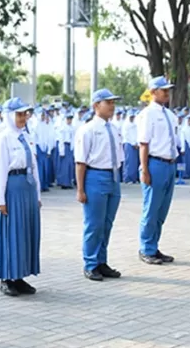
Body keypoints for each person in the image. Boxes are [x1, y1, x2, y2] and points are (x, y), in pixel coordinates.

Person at [0, 97, 41, 296]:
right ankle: (7, 277)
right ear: (9, 116)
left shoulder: (27, 137)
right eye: (19, 114)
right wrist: (0, 200)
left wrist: (37, 193)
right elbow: (1, 170)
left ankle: (20, 275)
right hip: (13, 186)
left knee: (26, 232)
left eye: (25, 114)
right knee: (12, 231)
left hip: (27, 187)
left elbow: (34, 166)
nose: (23, 118)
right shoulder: (4, 138)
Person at [75, 89, 124, 281]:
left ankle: (101, 261)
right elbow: (80, 162)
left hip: (112, 176)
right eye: (108, 102)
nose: (112, 106)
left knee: (106, 224)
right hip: (95, 176)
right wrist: (80, 189)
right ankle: (90, 263)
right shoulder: (87, 130)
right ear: (96, 105)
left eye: (113, 102)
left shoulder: (114, 129)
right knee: (94, 224)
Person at [136, 76, 179, 265]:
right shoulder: (148, 114)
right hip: (155, 163)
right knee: (151, 209)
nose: (167, 93)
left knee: (162, 210)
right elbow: (143, 144)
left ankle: (154, 245)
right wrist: (144, 169)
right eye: (164, 90)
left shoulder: (169, 115)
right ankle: (146, 248)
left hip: (169, 164)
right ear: (153, 92)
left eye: (168, 90)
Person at [56, 112, 76, 188]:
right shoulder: (63, 128)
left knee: (70, 166)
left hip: (70, 147)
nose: (69, 120)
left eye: (70, 119)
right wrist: (61, 150)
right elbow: (61, 139)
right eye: (68, 119)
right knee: (64, 166)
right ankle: (64, 183)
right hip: (64, 146)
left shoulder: (72, 128)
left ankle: (69, 182)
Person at [121, 109, 139, 183]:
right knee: (128, 162)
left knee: (135, 162)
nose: (132, 118)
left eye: (133, 117)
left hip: (135, 145)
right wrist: (132, 143)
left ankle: (134, 178)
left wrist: (136, 143)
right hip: (128, 144)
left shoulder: (135, 125)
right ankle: (127, 178)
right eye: (131, 117)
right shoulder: (126, 125)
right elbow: (126, 136)